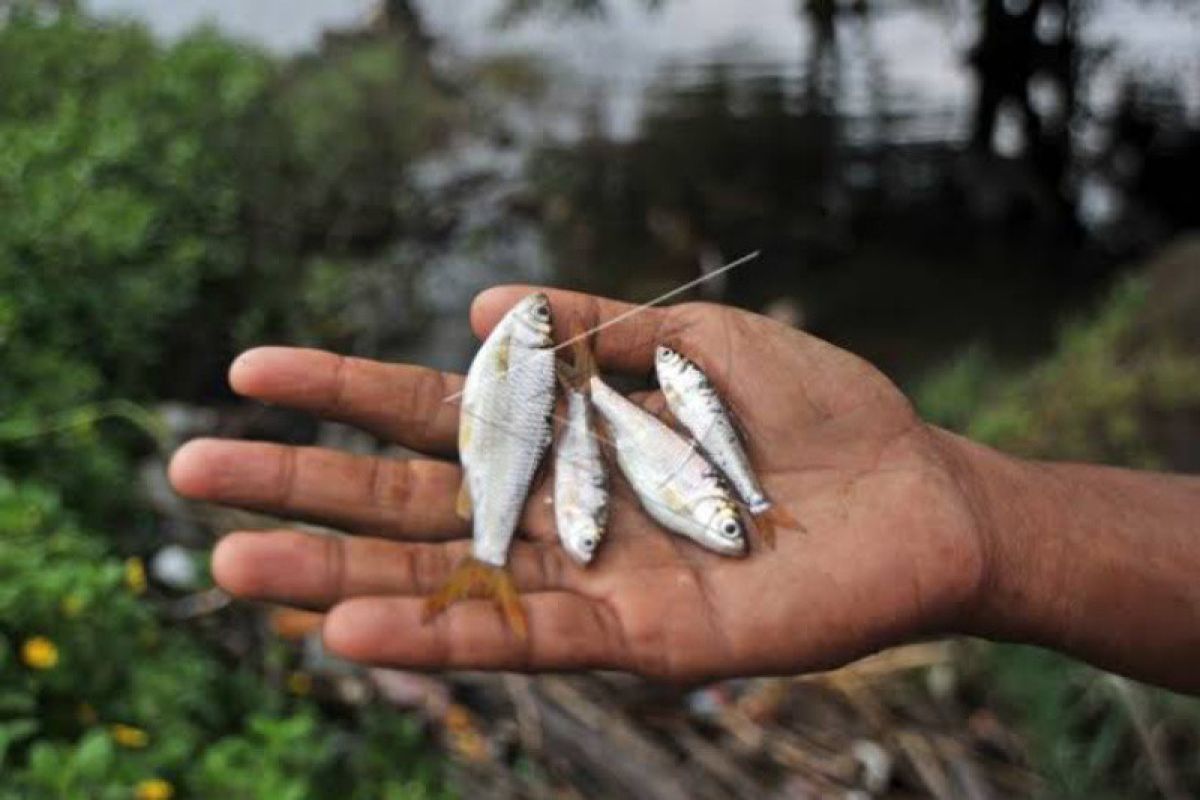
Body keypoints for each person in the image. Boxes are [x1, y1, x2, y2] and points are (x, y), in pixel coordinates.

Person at [168, 286, 1200, 694]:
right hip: (577, 436)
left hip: (606, 438)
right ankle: (497, 550)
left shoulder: (575, 393)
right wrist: (986, 515)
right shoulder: (547, 381)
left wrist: (972, 515)